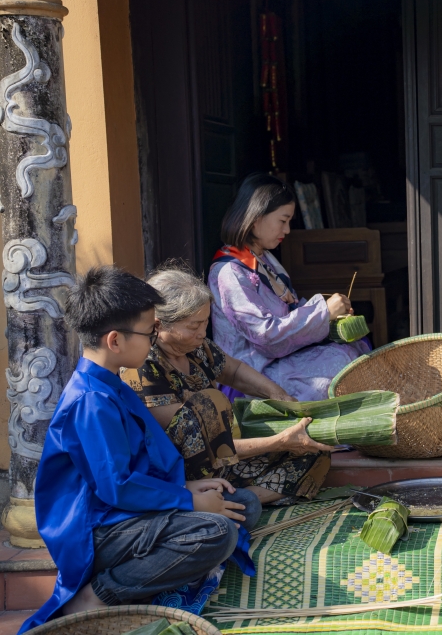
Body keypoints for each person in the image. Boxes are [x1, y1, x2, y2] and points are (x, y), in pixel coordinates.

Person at [22, 267, 260, 633]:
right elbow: (117, 487)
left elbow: (139, 469)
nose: (153, 343)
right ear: (115, 340)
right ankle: (96, 596)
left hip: (126, 513)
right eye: (150, 333)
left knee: (243, 504)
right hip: (98, 529)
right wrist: (186, 501)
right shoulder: (91, 400)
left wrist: (185, 490)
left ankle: (160, 572)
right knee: (218, 531)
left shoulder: (110, 383)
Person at [122, 266, 337, 505]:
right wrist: (280, 441)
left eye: (205, 323)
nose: (203, 333)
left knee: (314, 453)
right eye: (194, 326)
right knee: (206, 407)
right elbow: (200, 444)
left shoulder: (197, 348)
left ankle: (243, 498)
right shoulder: (142, 366)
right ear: (159, 325)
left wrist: (279, 396)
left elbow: (232, 371)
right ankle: (222, 499)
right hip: (185, 471)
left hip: (226, 457)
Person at [208, 172, 369, 402]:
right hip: (252, 375)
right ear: (256, 218)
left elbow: (290, 311)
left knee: (353, 349)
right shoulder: (229, 273)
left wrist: (331, 316)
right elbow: (265, 337)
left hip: (276, 360)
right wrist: (323, 313)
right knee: (339, 367)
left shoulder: (264, 259)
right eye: (283, 221)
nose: (287, 230)